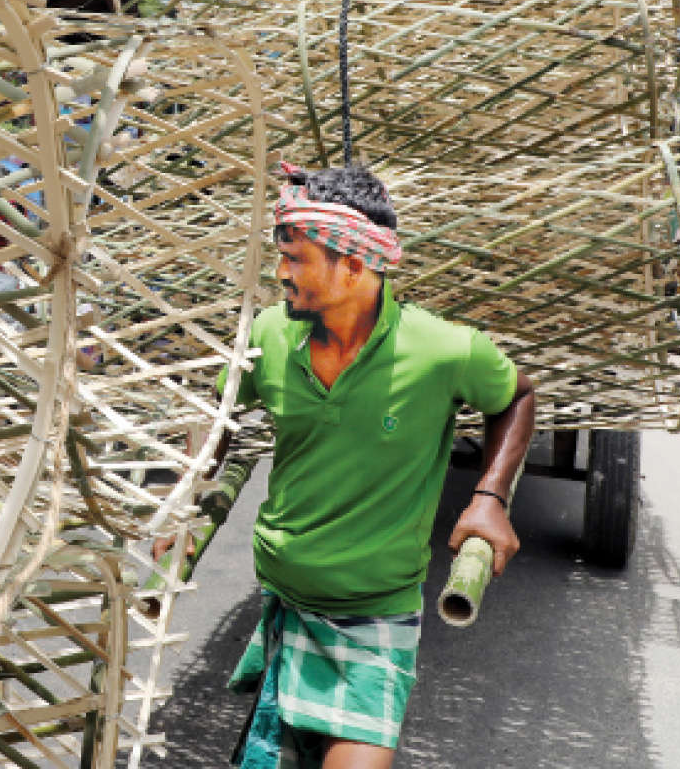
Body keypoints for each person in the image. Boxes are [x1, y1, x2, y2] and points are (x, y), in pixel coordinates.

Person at [163, 162, 535, 769]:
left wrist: (489, 498)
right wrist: (188, 489)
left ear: (355, 266)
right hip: (285, 600)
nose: (281, 274)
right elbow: (219, 406)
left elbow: (516, 397)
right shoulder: (269, 334)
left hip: (375, 617)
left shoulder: (443, 349)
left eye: (296, 259)